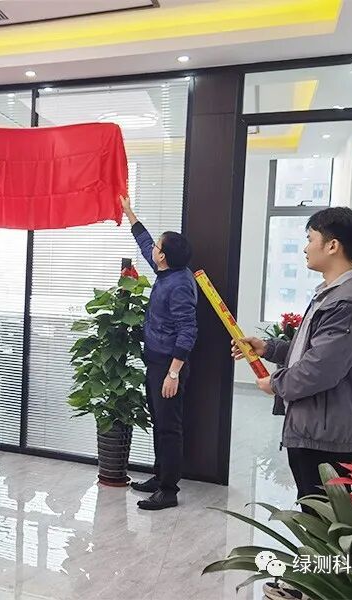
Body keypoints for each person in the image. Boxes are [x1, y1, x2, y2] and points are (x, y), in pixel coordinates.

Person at [233, 207, 352, 509]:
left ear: (332, 245)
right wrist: (269, 348)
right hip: (318, 427)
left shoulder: (347, 303)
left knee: (323, 521)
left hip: (326, 437)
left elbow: (320, 369)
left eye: (310, 238)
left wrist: (275, 383)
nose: (305, 248)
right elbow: (314, 351)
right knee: (316, 513)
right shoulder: (333, 294)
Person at [120, 196, 198, 510]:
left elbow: (188, 330)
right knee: (159, 421)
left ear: (163, 256)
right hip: (156, 361)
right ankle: (160, 475)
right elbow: (145, 243)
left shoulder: (178, 285)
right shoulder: (168, 271)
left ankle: (168, 490)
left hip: (169, 365)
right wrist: (129, 212)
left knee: (168, 427)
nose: (153, 248)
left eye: (158, 247)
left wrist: (173, 373)